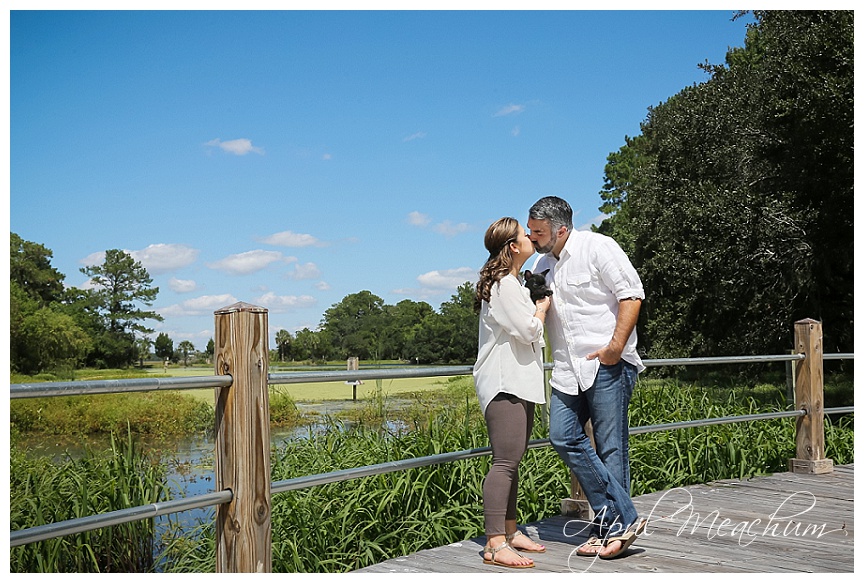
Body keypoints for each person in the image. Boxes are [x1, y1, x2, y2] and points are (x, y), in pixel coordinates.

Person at [527, 196, 647, 560]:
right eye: (530, 231)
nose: (532, 238)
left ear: (561, 229)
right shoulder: (540, 264)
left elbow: (632, 294)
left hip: (607, 364)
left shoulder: (599, 247)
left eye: (539, 232)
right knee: (562, 436)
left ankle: (608, 531)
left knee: (611, 447)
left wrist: (615, 347)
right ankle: (623, 519)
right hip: (566, 370)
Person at [473, 217, 551, 569]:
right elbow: (526, 330)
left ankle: (510, 530)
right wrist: (541, 309)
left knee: (513, 460)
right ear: (513, 247)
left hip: (519, 382)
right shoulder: (504, 284)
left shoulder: (513, 283)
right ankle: (494, 543)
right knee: (504, 462)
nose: (532, 237)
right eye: (525, 234)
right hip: (504, 383)